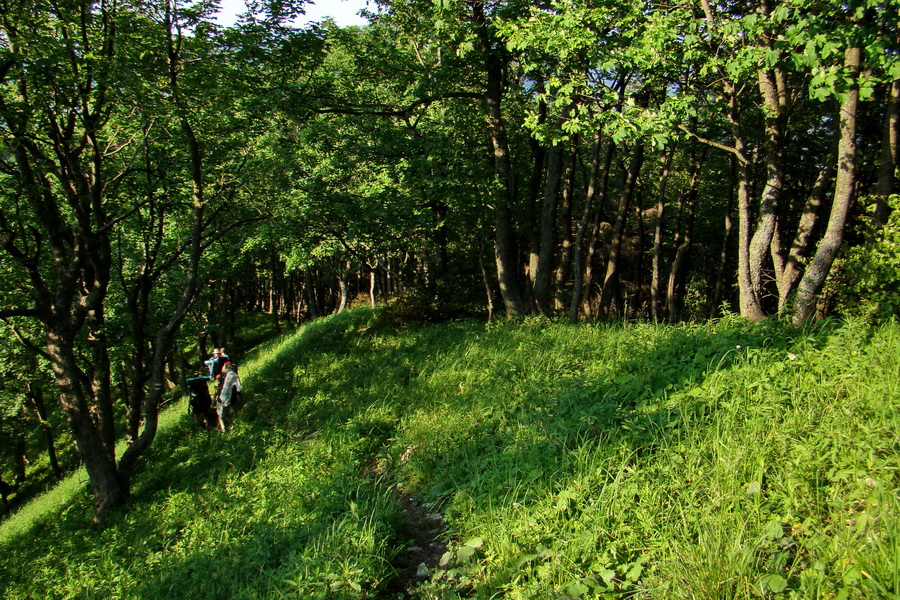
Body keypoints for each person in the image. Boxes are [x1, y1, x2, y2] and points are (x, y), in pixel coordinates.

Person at [216, 362, 242, 432]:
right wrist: (241, 399)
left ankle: (224, 429)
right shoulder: (235, 377)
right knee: (233, 414)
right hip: (233, 398)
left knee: (221, 415)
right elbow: (239, 390)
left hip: (222, 399)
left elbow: (217, 389)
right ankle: (233, 427)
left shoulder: (221, 377)